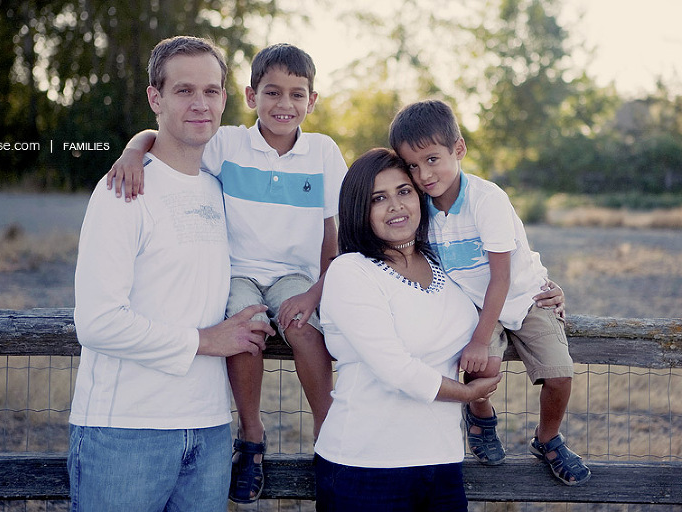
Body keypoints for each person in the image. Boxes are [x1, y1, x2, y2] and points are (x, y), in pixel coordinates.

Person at [105, 43, 346, 503]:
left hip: (294, 276)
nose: (285, 104)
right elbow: (160, 137)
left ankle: (328, 432)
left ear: (312, 101)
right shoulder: (228, 143)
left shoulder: (323, 152)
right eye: (272, 93)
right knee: (246, 330)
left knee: (305, 330)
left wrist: (318, 290)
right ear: (252, 97)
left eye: (297, 95)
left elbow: (331, 230)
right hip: (238, 273)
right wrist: (132, 152)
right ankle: (251, 438)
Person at [68, 36, 275, 512]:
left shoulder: (219, 187)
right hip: (126, 431)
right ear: (154, 98)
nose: (200, 104)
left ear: (226, 98)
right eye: (184, 91)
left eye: (211, 91)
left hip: (208, 431)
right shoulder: (123, 189)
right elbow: (97, 322)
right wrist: (208, 340)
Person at [389, 99, 591, 486]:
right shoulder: (421, 210)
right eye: (412, 166)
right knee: (481, 372)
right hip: (472, 303)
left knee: (560, 373)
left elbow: (501, 278)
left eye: (432, 159)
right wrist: (479, 340)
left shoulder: (487, 200)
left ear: (458, 149)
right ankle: (480, 416)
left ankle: (547, 439)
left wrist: (481, 339)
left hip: (524, 297)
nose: (424, 174)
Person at [314, 148, 502, 511]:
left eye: (404, 191)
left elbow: (498, 282)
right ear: (358, 209)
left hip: (443, 461)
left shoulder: (443, 261)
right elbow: (396, 370)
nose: (396, 206)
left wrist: (544, 291)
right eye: (378, 198)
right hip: (365, 467)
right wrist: (469, 394)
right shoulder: (352, 271)